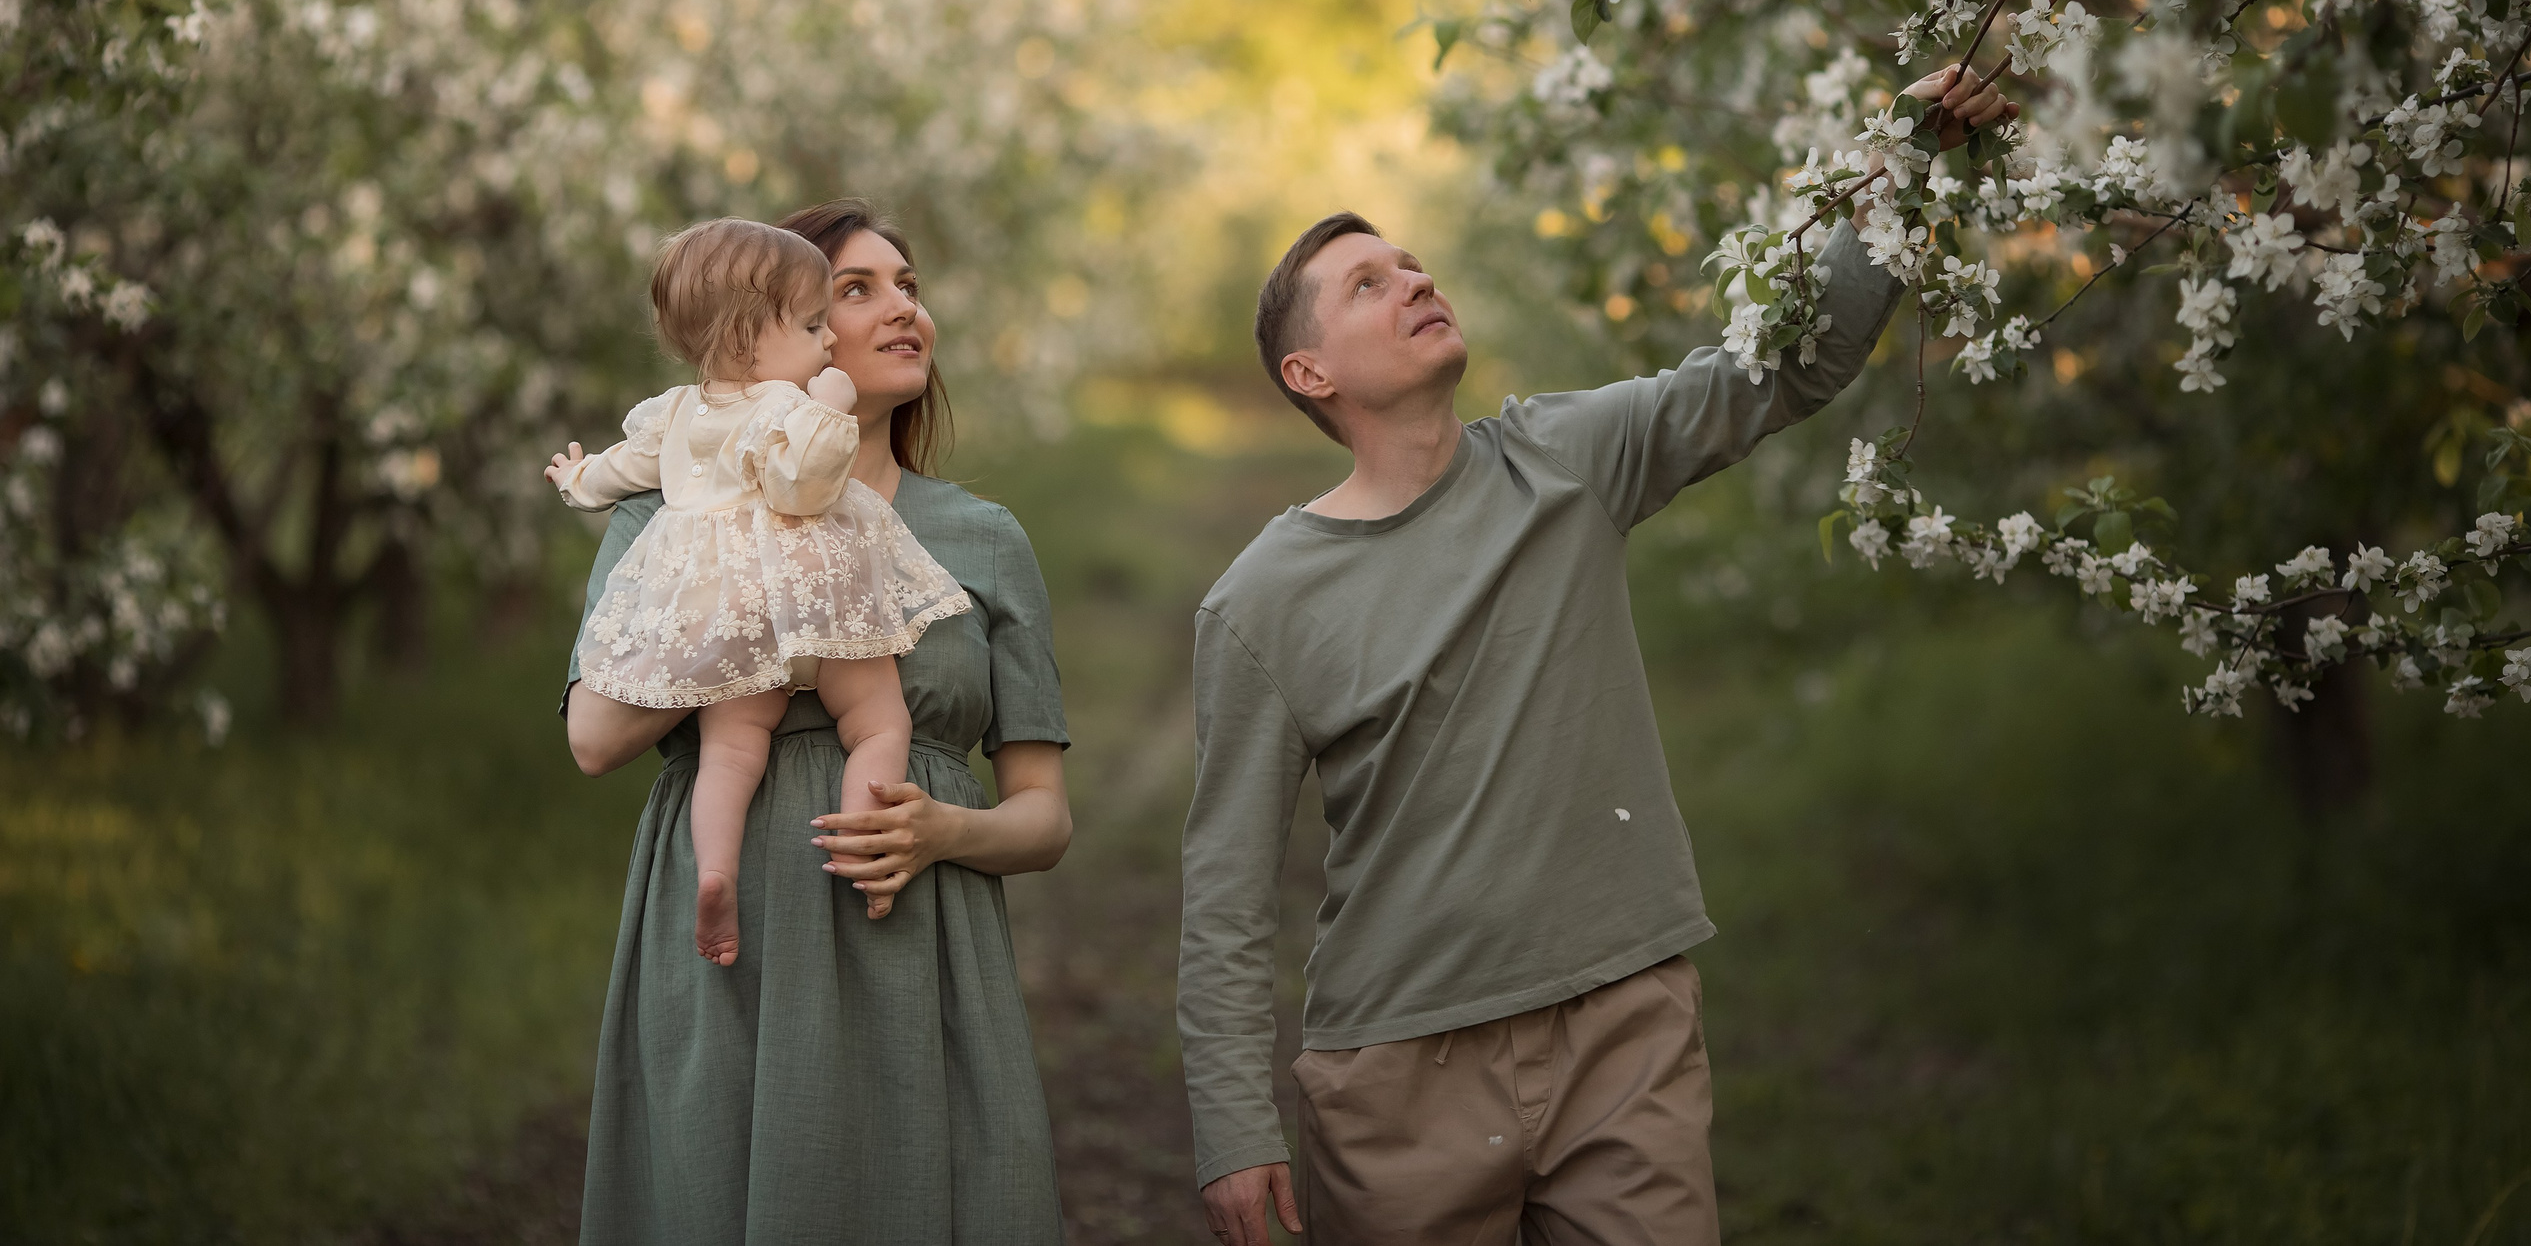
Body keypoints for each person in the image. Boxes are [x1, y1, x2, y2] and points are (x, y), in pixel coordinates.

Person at [1183, 66, 2017, 1244]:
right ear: (1308, 376)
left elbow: (1785, 367)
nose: (1413, 278)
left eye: (1411, 262)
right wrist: (1232, 1123)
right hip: (1397, 1070)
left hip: (1624, 1020)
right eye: (1367, 284)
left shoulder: (1563, 460)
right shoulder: (1260, 602)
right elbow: (1225, 889)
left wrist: (1906, 157)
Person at [561, 199, 1074, 1244]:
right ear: (763, 332)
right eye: (856, 290)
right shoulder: (665, 511)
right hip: (730, 939)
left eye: (911, 286)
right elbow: (594, 738)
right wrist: (745, 568)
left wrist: (945, 831)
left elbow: (1046, 817)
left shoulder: (980, 537)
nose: (904, 311)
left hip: (911, 937)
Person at [548, 217, 971, 960]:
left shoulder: (676, 413)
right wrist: (829, 406)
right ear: (748, 343)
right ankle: (867, 852)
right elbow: (802, 487)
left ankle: (716, 873)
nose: (828, 342)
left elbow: (616, 470)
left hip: (726, 634)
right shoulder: (788, 405)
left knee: (730, 754)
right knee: (877, 723)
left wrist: (574, 479)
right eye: (815, 324)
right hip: (815, 609)